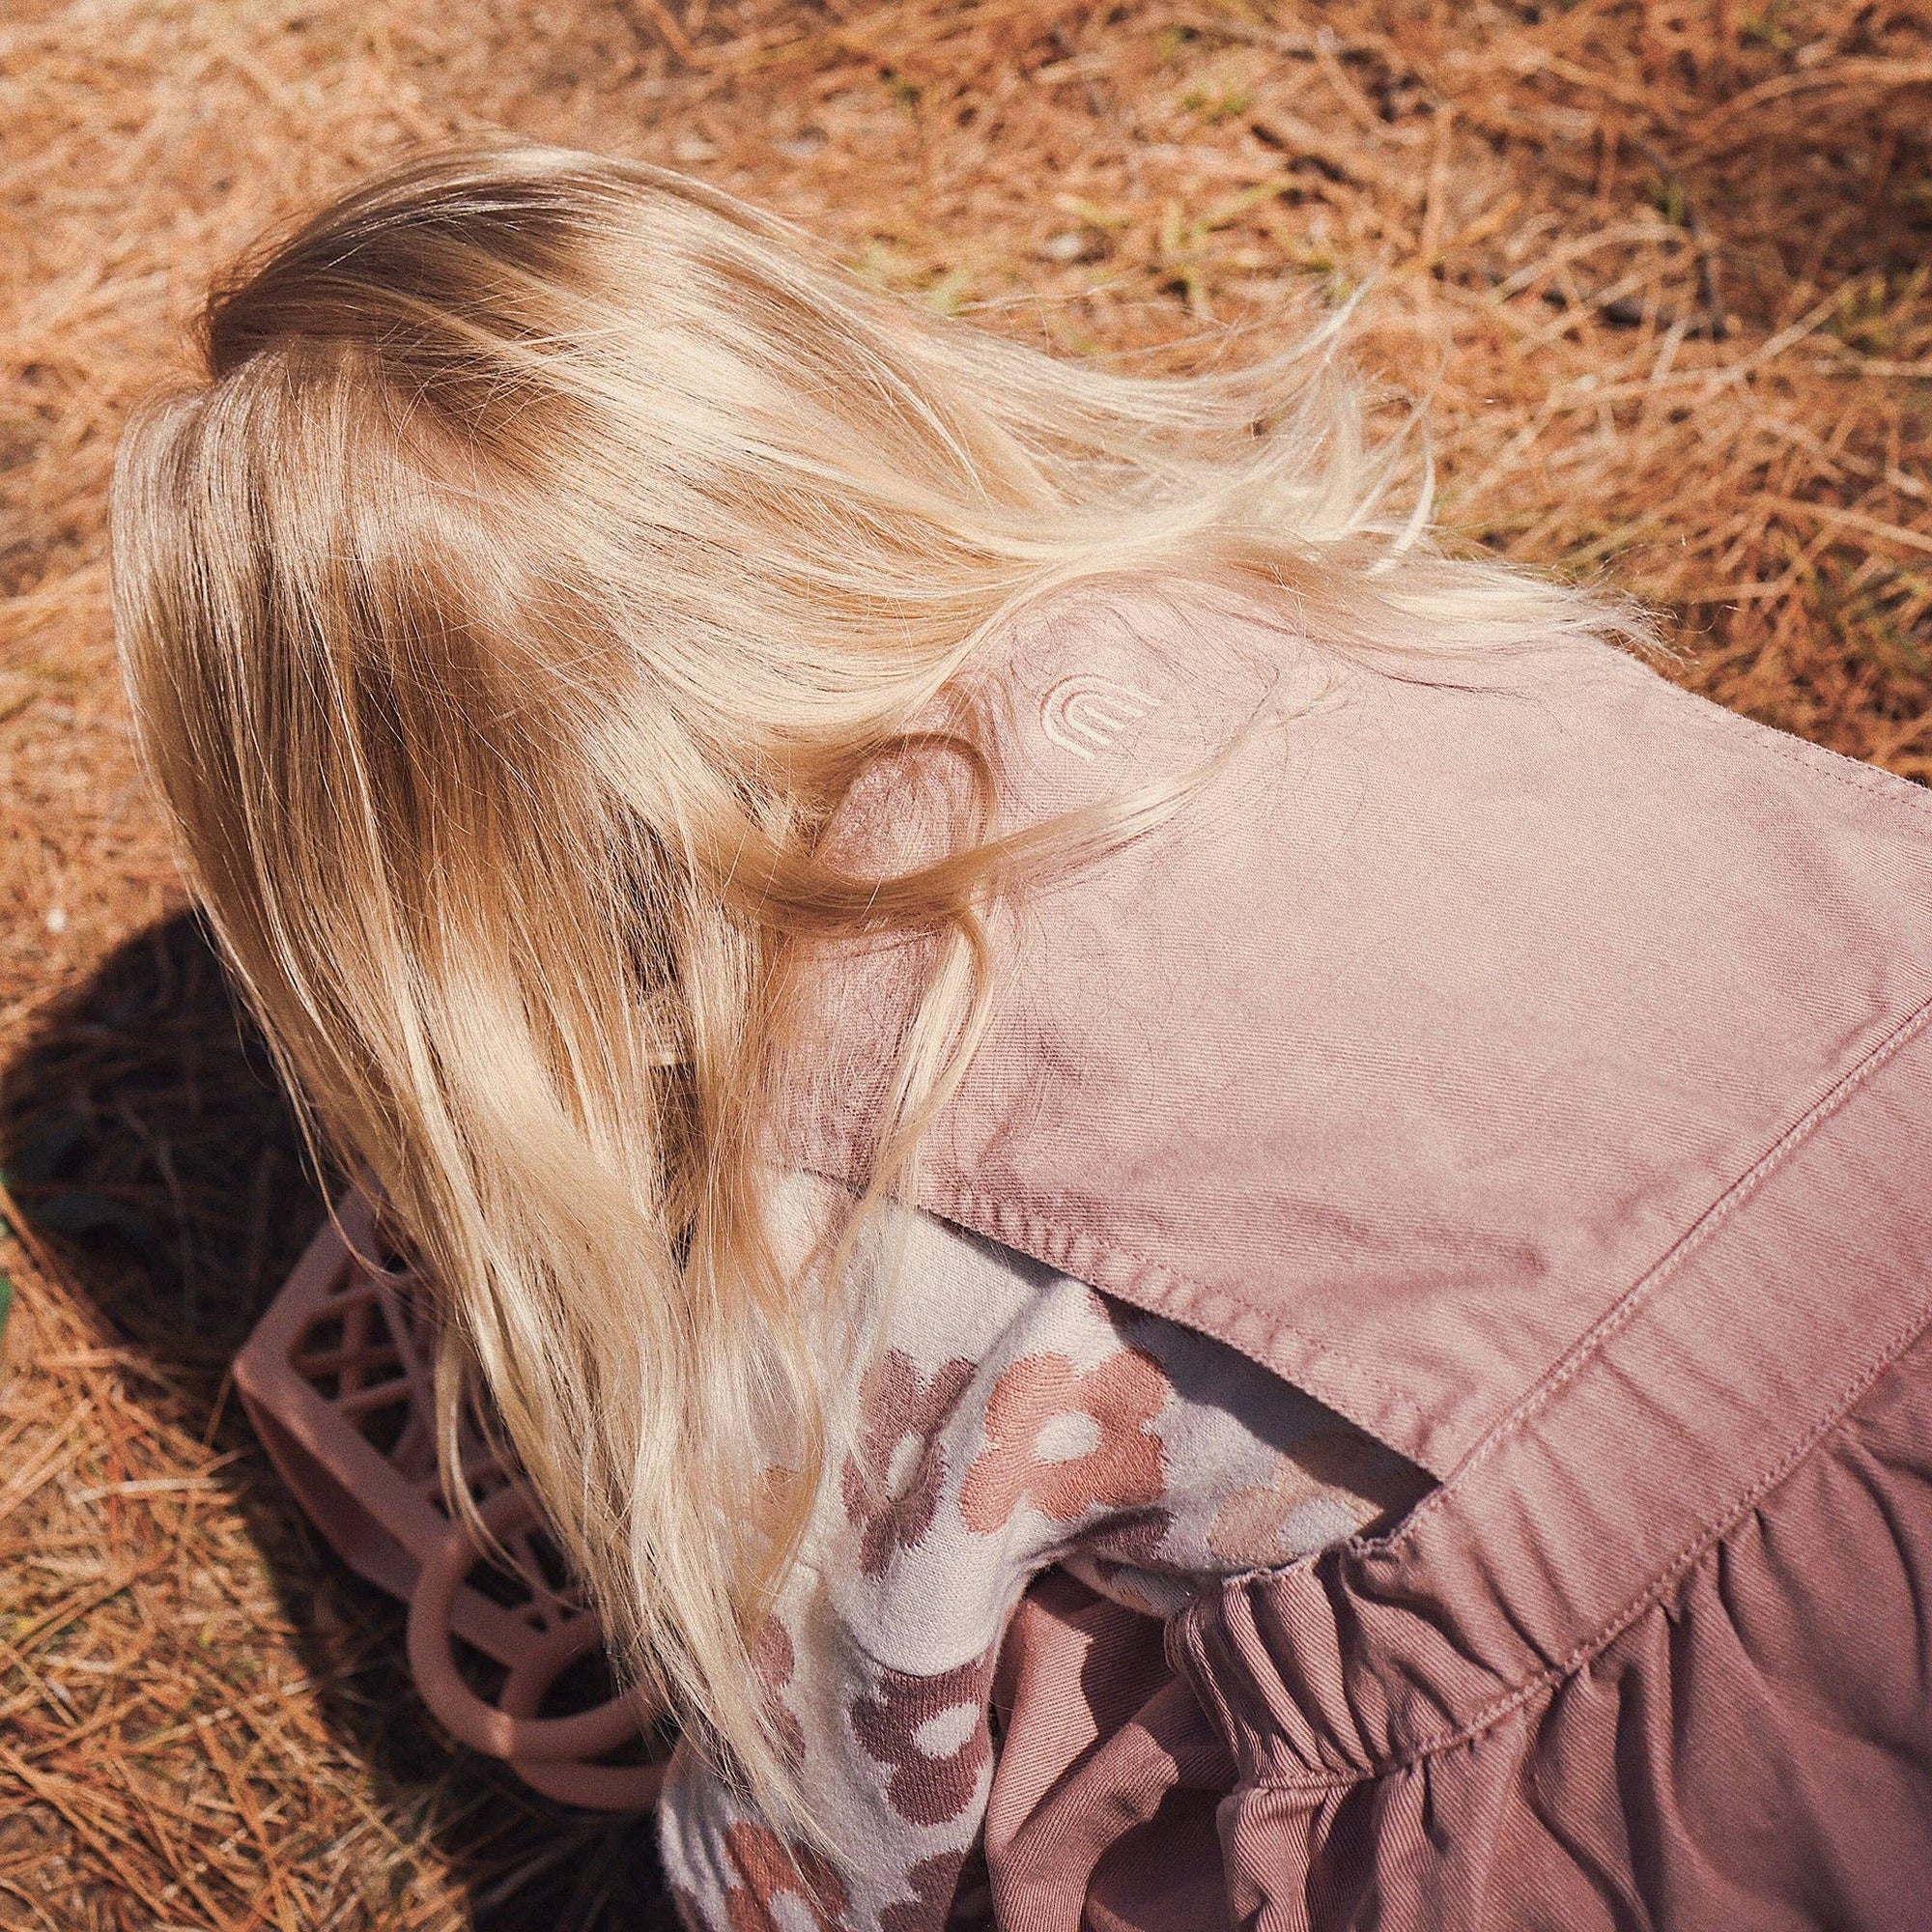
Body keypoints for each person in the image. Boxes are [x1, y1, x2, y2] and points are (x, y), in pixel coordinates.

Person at [112, 144, 1932, 1932]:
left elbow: (834, 1844)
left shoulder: (837, 1190)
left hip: (1720, 1798)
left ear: (406, 904)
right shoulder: (1296, 597)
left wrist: (706, 1834)